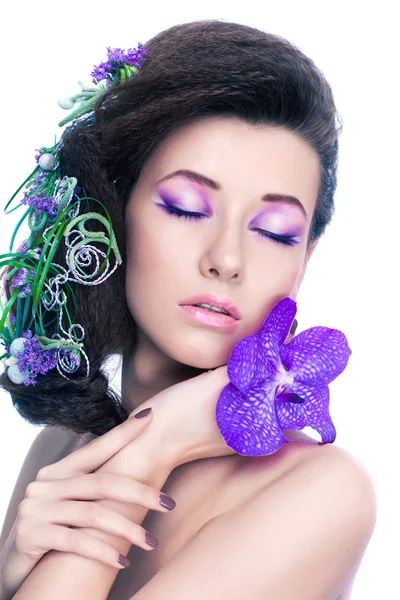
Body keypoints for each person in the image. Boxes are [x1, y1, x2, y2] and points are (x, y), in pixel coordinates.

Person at [0, 19, 376, 600]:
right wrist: (10, 573)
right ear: (113, 212)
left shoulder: (323, 492)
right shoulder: (60, 446)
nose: (226, 259)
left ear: (305, 260)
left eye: (275, 232)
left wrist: (148, 453)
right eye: (185, 207)